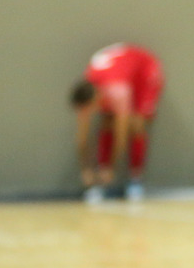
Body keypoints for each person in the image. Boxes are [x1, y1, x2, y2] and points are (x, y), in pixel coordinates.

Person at [69, 42, 163, 202]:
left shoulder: (117, 91)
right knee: (106, 122)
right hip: (120, 73)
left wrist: (111, 168)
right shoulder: (88, 86)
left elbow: (121, 135)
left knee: (136, 125)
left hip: (144, 72)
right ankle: (102, 176)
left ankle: (135, 179)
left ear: (94, 99)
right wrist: (85, 169)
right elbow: (82, 137)